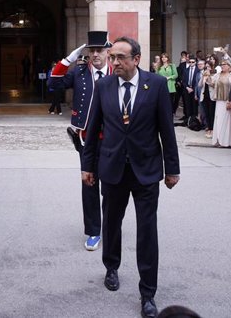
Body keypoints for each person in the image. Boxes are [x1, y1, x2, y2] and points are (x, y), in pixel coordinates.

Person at [81, 36, 180, 318]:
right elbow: (93, 128)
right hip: (112, 168)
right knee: (111, 223)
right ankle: (111, 267)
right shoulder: (104, 86)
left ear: (136, 59)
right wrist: (87, 167)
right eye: (112, 58)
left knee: (147, 231)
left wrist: (172, 168)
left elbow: (166, 130)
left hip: (146, 170)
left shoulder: (156, 85)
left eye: (120, 58)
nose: (114, 63)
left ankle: (147, 292)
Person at [47, 30, 112, 252]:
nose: (95, 54)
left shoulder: (117, 72)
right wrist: (67, 61)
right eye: (91, 51)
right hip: (87, 138)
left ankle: (110, 226)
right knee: (90, 183)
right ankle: (94, 230)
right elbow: (53, 84)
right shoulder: (80, 72)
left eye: (99, 50)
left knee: (112, 186)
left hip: (114, 139)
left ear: (107, 51)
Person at [211, 61, 231, 147]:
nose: (222, 66)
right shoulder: (218, 75)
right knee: (218, 119)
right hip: (219, 100)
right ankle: (218, 139)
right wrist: (207, 76)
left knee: (227, 121)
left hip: (227, 100)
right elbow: (211, 83)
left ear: (229, 66)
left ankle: (227, 141)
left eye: (224, 65)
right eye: (221, 65)